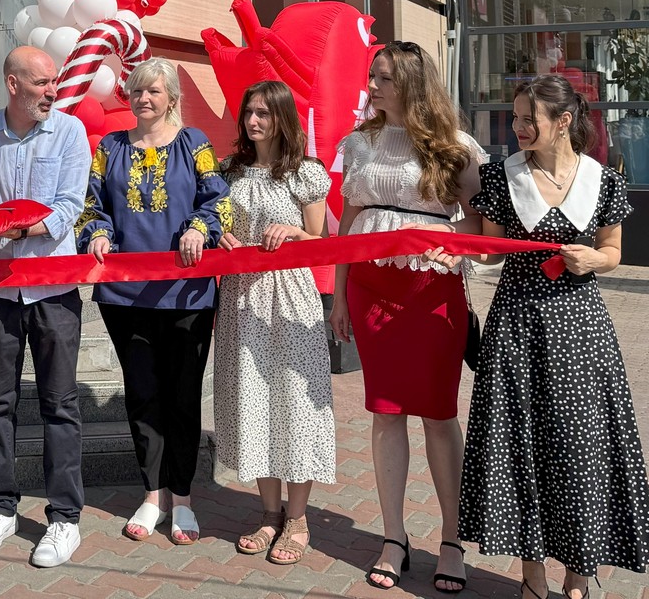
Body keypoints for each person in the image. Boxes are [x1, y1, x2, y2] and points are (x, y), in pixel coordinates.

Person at [459, 74, 649, 599]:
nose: (517, 127)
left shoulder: (603, 179)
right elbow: (489, 249)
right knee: (521, 445)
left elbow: (613, 251)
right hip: (518, 325)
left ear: (563, 121)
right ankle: (532, 576)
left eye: (528, 119)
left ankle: (578, 572)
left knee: (580, 447)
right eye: (515, 118)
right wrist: (453, 248)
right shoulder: (501, 177)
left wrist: (594, 259)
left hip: (581, 328)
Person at [328, 40, 484, 592]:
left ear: (413, 84)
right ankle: (394, 537)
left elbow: (480, 227)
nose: (372, 86)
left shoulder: (456, 147)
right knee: (386, 411)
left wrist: (453, 245)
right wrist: (341, 295)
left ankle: (451, 538)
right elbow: (347, 223)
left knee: (440, 415)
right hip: (372, 290)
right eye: (372, 75)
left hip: (433, 293)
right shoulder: (359, 142)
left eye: (384, 78)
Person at [76, 57, 231, 546]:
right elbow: (89, 204)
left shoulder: (196, 144)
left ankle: (182, 496)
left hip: (187, 293)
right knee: (142, 391)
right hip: (125, 295)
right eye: (138, 91)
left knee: (183, 393)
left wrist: (201, 227)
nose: (144, 99)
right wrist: (97, 234)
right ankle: (153, 492)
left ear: (172, 99)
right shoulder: (109, 147)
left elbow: (219, 199)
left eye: (155, 92)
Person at [0, 46, 90, 568]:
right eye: (41, 83)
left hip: (53, 290)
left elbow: (72, 205)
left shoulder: (70, 132)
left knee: (60, 403)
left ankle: (64, 518)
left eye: (54, 83)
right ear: (13, 84)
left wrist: (22, 227)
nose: (52, 92)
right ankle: (2, 508)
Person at [214, 81, 335, 564]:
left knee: (295, 403)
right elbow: (216, 219)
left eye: (264, 113)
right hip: (242, 297)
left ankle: (299, 519)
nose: (253, 121)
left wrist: (295, 233)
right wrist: (219, 232)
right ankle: (269, 514)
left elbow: (320, 239)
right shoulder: (231, 172)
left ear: (283, 118)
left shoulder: (305, 174)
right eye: (249, 112)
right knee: (254, 399)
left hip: (290, 297)